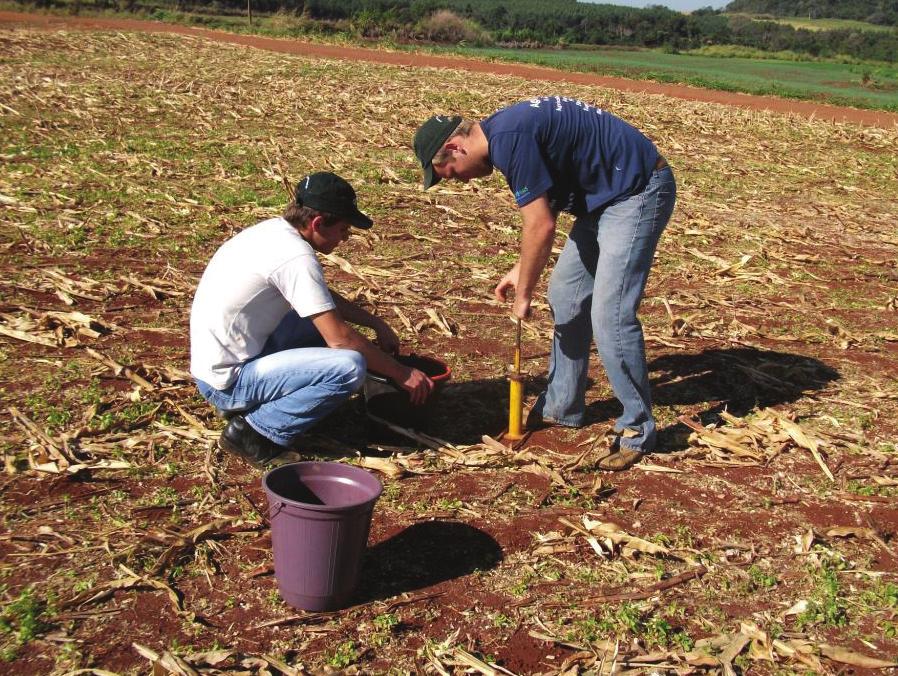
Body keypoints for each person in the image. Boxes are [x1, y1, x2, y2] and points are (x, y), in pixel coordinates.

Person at [413, 96, 676, 471]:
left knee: (610, 314)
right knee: (566, 294)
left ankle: (637, 428)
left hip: (637, 191)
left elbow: (541, 224)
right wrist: (522, 267)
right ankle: (561, 406)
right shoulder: (504, 134)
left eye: (453, 173)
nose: (463, 181)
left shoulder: (509, 139)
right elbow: (546, 196)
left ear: (455, 147)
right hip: (599, 200)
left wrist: (524, 294)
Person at [190, 171, 434, 466]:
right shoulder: (296, 257)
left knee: (318, 323)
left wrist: (374, 323)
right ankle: (253, 432)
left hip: (216, 367)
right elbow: (340, 339)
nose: (345, 238)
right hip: (228, 382)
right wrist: (401, 373)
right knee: (348, 366)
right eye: (344, 229)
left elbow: (318, 298)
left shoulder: (273, 233)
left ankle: (254, 405)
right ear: (317, 222)